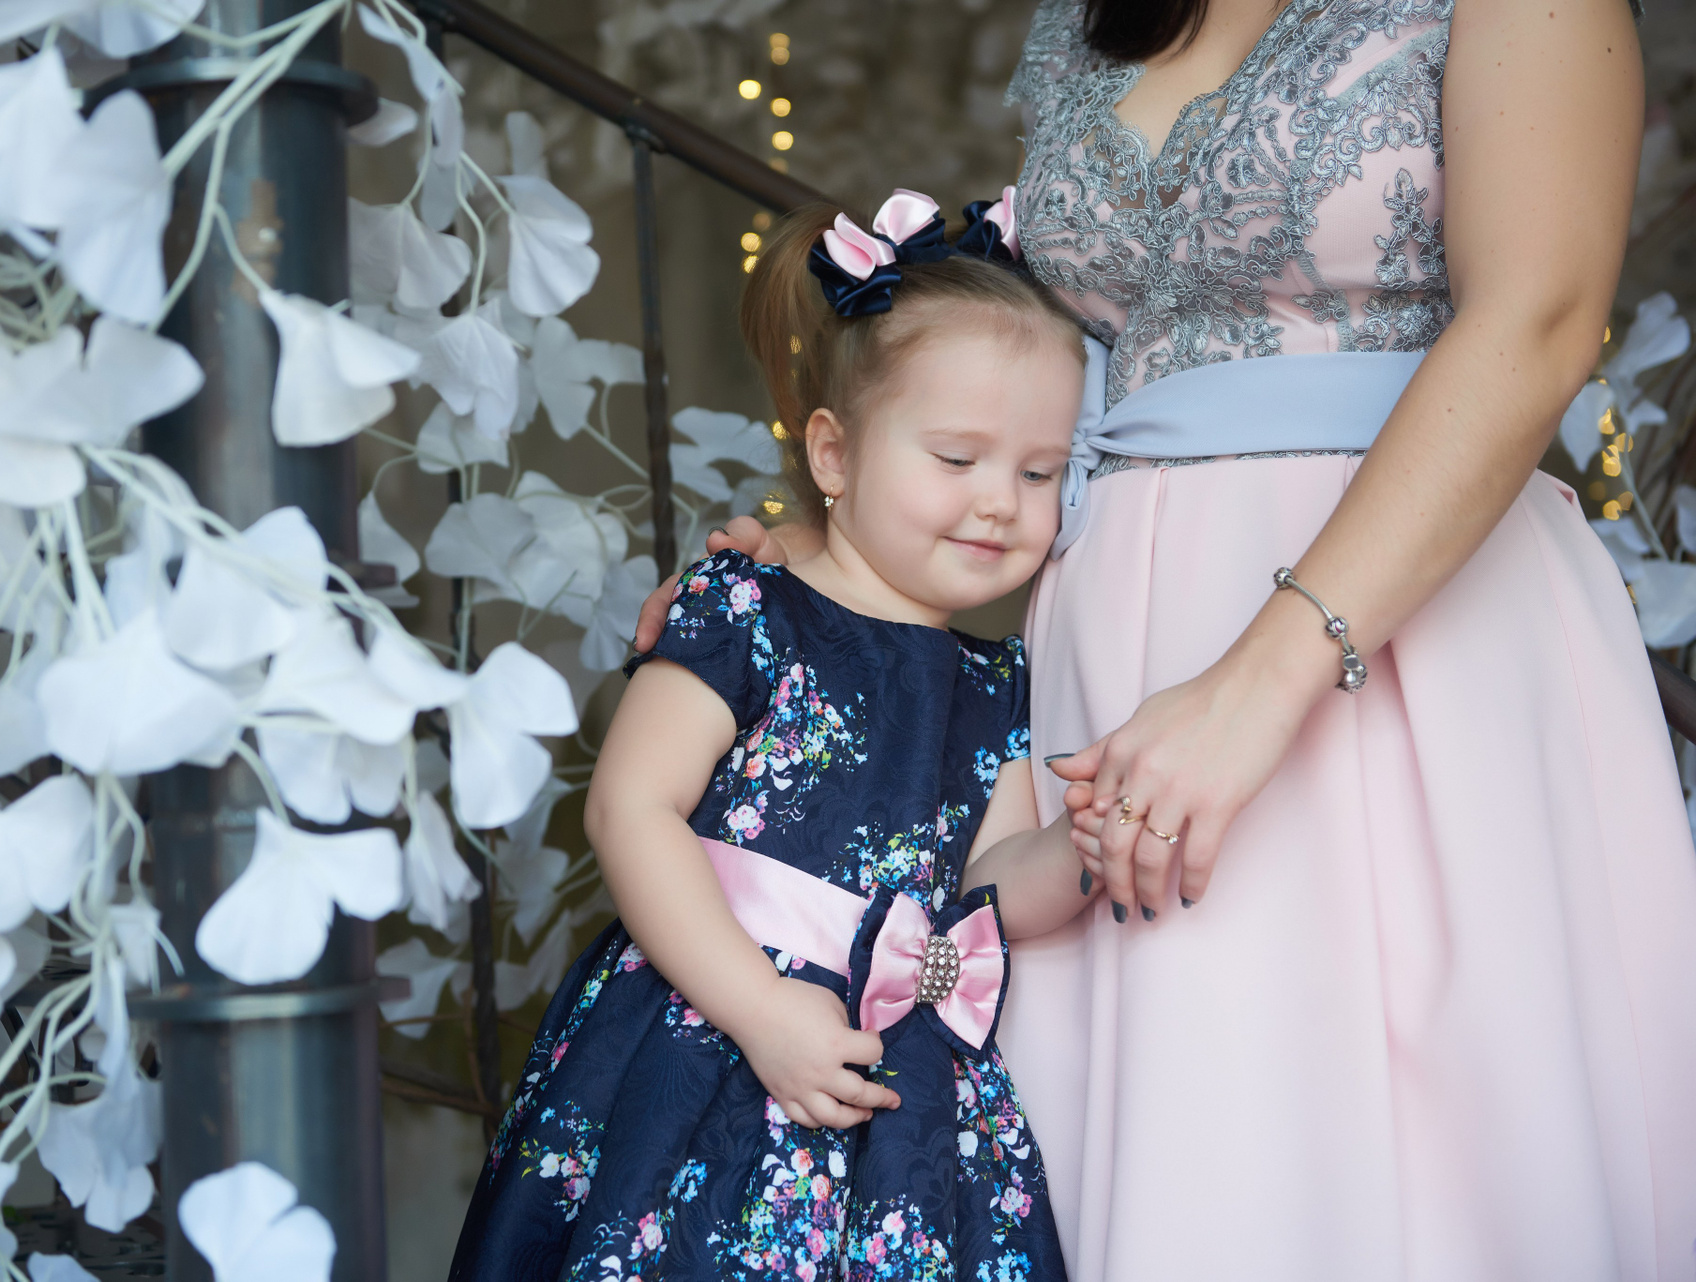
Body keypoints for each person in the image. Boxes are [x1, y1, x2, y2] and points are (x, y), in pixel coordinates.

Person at [635, 0, 1696, 1277]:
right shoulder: (1088, 19)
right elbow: (1013, 373)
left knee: (1414, 1156)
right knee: (1154, 1154)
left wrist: (1258, 682)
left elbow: (1540, 318)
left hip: (1400, 642)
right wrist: (824, 569)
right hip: (1110, 651)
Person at [451, 190, 1099, 1281]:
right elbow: (630, 807)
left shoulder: (997, 683)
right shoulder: (745, 606)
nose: (1001, 502)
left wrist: (1088, 839)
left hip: (891, 1094)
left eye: (1039, 473)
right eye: (957, 459)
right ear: (834, 456)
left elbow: (991, 880)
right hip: (711, 1033)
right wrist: (757, 1009)